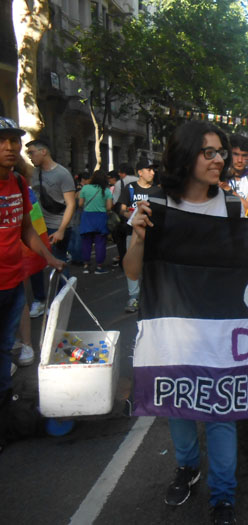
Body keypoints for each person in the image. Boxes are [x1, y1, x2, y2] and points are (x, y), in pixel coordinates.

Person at [124, 120, 238, 524]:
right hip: (171, 329)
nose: (218, 159)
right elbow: (133, 272)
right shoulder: (156, 206)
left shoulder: (233, 206)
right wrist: (138, 237)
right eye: (209, 152)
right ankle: (187, 468)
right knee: (180, 406)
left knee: (222, 410)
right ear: (186, 153)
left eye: (221, 152)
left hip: (221, 328)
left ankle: (224, 495)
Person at [0, 117, 64, 419]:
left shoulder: (18, 182)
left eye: (13, 141)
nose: (9, 147)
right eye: (2, 141)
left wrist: (49, 258)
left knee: (3, 348)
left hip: (14, 283)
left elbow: (26, 229)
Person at [25, 138, 76, 317]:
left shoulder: (62, 174)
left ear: (43, 151)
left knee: (59, 262)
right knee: (35, 264)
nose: (30, 157)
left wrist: (62, 229)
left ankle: (60, 302)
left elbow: (71, 204)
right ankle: (39, 300)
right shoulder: (34, 173)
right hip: (39, 227)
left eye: (31, 152)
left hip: (58, 226)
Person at [117, 159, 159, 313]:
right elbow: (121, 208)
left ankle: (152, 296)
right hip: (132, 233)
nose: (152, 173)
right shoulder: (130, 188)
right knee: (132, 266)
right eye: (149, 170)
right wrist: (129, 213)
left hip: (152, 235)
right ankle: (133, 296)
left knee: (151, 266)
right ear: (140, 172)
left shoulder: (157, 191)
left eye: (153, 170)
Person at [78, 169, 113, 274]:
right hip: (100, 218)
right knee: (100, 243)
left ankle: (86, 265)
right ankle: (99, 266)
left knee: (86, 242)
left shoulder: (85, 188)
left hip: (87, 217)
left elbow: (80, 204)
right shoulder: (106, 190)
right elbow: (109, 207)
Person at [221, 133, 248, 212]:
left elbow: (247, 209)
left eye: (244, 155)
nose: (240, 160)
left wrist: (227, 189)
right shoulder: (220, 175)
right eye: (235, 154)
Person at [110, 162, 139, 268]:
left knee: (121, 242)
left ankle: (124, 263)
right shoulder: (139, 181)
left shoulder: (119, 183)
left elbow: (116, 201)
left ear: (123, 173)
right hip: (139, 214)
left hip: (125, 217)